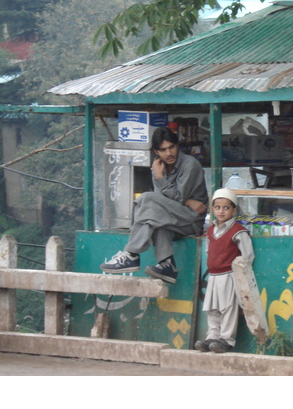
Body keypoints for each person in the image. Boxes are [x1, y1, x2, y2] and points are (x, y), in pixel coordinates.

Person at [100, 126, 208, 284]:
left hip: (191, 220)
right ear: (156, 151)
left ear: (177, 146)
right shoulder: (159, 167)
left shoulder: (190, 165)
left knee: (146, 199)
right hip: (174, 217)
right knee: (154, 218)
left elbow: (174, 196)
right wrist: (186, 200)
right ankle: (167, 265)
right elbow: (164, 199)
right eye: (163, 150)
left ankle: (131, 254)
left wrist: (160, 177)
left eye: (171, 147)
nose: (169, 153)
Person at [194, 188, 254, 353]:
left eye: (226, 208)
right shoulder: (211, 230)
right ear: (213, 209)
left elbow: (247, 255)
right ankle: (212, 337)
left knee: (228, 308)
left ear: (234, 210)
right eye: (218, 207)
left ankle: (226, 339)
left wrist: (240, 275)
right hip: (213, 275)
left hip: (229, 275)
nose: (221, 211)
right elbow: (209, 249)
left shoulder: (238, 231)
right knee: (212, 308)